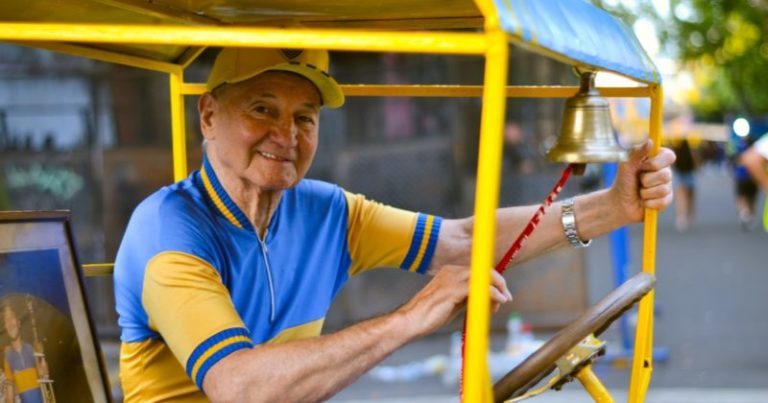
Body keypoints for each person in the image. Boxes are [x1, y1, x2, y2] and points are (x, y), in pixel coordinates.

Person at [113, 47, 675, 402]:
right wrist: (409, 319)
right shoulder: (170, 231)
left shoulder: (324, 209)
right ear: (209, 114)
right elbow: (239, 388)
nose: (286, 136)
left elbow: (461, 241)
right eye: (262, 109)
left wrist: (612, 208)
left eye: (304, 118)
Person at [2, 304, 44, 403]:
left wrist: (41, 357)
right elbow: (10, 396)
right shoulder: (7, 357)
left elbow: (43, 374)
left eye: (11, 317)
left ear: (18, 322)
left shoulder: (32, 349)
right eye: (6, 320)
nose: (9, 322)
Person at [739, 132, 768, 231]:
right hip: (746, 179)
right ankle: (747, 214)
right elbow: (751, 159)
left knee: (744, 196)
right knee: (748, 197)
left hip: (745, 178)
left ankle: (746, 214)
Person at [670, 138, 698, 232]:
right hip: (690, 175)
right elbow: (696, 164)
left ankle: (681, 218)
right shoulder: (691, 153)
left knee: (680, 199)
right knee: (691, 199)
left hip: (679, 176)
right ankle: (690, 217)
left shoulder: (677, 153)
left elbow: (673, 164)